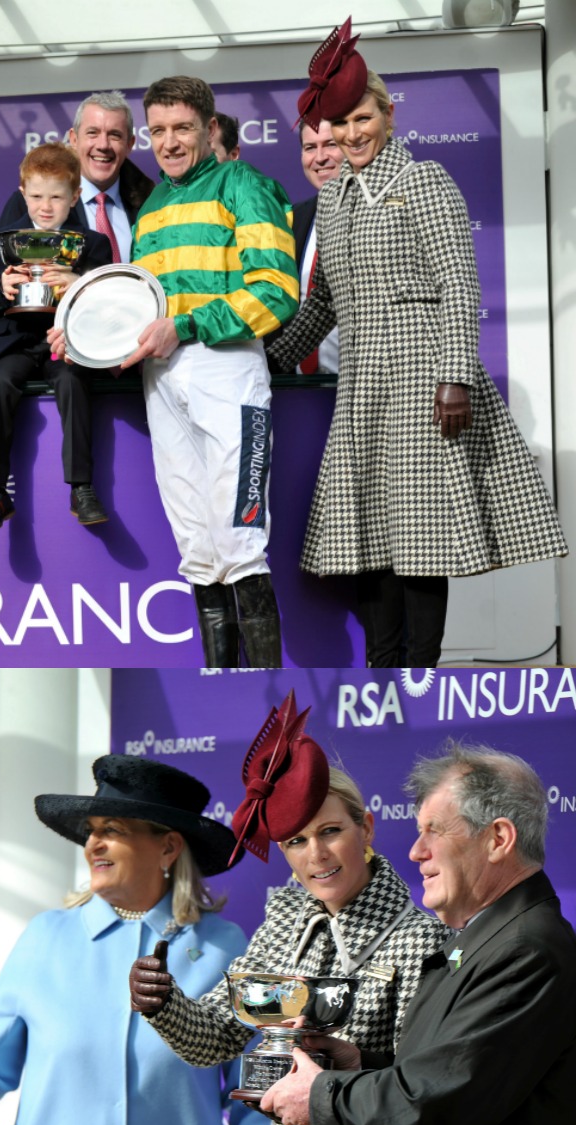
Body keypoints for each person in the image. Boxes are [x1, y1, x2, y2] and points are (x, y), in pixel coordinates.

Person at [267, 22, 567, 666]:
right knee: (372, 535)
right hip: (365, 385)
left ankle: (420, 665)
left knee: (423, 537)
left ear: (388, 113)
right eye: (340, 124)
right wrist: (268, 357)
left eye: (363, 118)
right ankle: (383, 664)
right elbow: (322, 303)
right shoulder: (337, 200)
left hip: (426, 380)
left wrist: (454, 376)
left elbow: (461, 283)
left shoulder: (425, 180)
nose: (351, 134)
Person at [128, 690, 446, 1125]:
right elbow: (216, 1038)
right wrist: (163, 1002)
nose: (316, 855)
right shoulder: (282, 924)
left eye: (331, 831)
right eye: (296, 841)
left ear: (365, 827)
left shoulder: (422, 939)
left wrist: (352, 1065)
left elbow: (425, 1089)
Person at [52, 76, 298, 668]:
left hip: (229, 374)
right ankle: (220, 676)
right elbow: (138, 310)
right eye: (158, 131)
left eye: (182, 128)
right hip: (161, 381)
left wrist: (184, 327)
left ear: (210, 129)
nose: (169, 142)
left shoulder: (248, 186)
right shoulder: (154, 205)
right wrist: (81, 336)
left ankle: (258, 686)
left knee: (241, 540)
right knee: (195, 540)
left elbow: (276, 292)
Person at [261, 743, 576, 1125]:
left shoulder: (526, 950)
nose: (415, 851)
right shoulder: (487, 939)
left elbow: (437, 1100)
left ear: (498, 839)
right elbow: (441, 1076)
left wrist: (319, 1098)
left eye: (434, 831)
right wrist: (355, 1065)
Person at [0, 755, 268, 1125]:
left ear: (168, 847)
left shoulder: (224, 946)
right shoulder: (45, 938)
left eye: (111, 830)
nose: (93, 844)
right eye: (92, 831)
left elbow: (254, 1081)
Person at [0, 143, 113, 533]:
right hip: (14, 342)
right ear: (22, 193)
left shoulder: (92, 244)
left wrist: (78, 283)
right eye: (36, 196)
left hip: (64, 345)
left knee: (72, 380)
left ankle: (82, 487)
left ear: (75, 197)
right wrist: (2, 286)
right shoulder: (2, 242)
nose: (45, 206)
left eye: (56, 196)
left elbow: (108, 304)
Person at [0, 90, 153, 264]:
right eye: (92, 132)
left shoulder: (150, 204)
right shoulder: (27, 203)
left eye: (114, 135)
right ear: (74, 139)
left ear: (130, 144)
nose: (103, 145)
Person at [289, 119, 344, 376]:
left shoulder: (380, 214)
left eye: (330, 145)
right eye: (310, 147)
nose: (319, 158)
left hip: (362, 387)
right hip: (299, 387)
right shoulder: (294, 218)